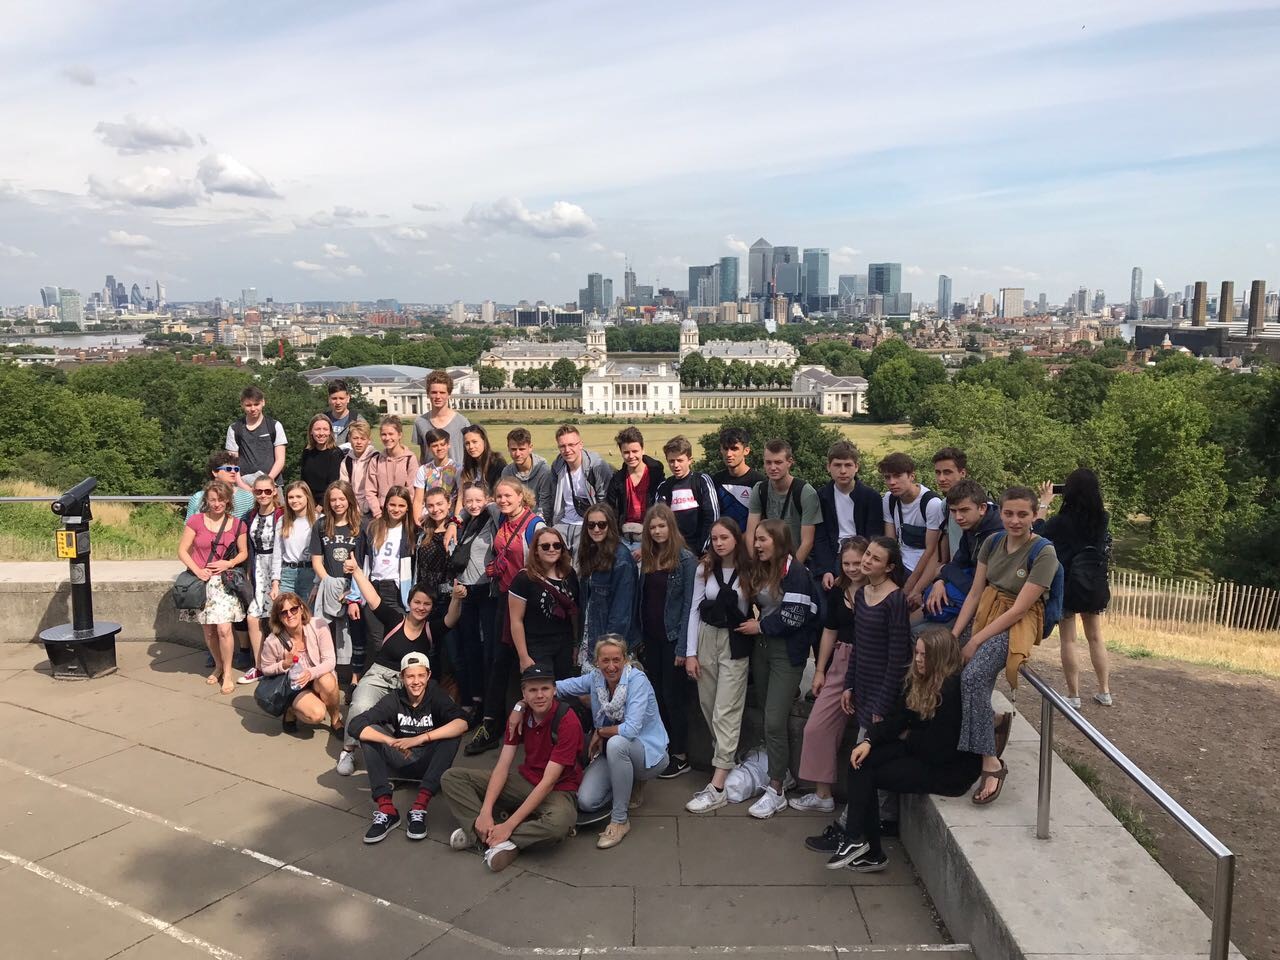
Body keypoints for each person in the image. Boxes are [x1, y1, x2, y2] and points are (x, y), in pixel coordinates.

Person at [823, 626, 982, 873]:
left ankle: (865, 846)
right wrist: (869, 741)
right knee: (860, 760)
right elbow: (898, 718)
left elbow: (938, 748)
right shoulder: (919, 679)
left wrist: (905, 737)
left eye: (925, 655)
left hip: (949, 771)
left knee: (870, 774)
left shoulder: (951, 690)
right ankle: (858, 841)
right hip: (920, 750)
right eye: (917, 653)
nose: (918, 659)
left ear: (939, 658)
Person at [951, 487, 1059, 805]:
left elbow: (1019, 610)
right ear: (1000, 513)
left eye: (1022, 514)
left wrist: (974, 640)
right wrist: (954, 636)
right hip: (988, 607)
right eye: (1009, 513)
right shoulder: (992, 542)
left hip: (1017, 620)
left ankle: (991, 763)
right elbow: (975, 593)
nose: (1014, 520)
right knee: (951, 667)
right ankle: (989, 724)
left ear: (1034, 515)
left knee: (973, 677)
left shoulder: (1043, 552)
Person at [442, 662, 584, 873]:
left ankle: (496, 837)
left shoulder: (567, 721)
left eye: (545, 688)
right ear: (523, 694)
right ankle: (485, 830)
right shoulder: (520, 714)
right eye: (532, 690)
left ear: (554, 690)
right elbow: (502, 765)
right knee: (452, 778)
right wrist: (485, 811)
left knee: (560, 822)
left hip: (557, 790)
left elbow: (548, 782)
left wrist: (508, 827)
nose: (539, 695)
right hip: (525, 780)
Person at [336, 561, 461, 775]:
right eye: (417, 602)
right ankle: (348, 750)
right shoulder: (394, 619)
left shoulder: (431, 630)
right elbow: (373, 598)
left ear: (432, 607)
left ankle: (400, 754)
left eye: (427, 604)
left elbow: (451, 618)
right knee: (360, 705)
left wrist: (457, 598)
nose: (421, 607)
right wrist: (356, 571)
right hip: (379, 676)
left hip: (410, 684)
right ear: (409, 602)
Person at [738, 519, 823, 819]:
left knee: (774, 721)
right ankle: (781, 772)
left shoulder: (796, 572)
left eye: (763, 539)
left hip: (787, 652)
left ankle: (776, 790)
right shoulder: (761, 568)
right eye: (756, 539)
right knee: (766, 711)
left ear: (779, 541)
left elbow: (795, 616)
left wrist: (760, 626)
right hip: (763, 648)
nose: (757, 544)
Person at [554, 636, 668, 848]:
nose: (611, 666)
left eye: (616, 659)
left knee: (617, 743)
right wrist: (523, 702)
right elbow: (559, 687)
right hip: (612, 750)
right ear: (597, 662)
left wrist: (601, 731)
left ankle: (619, 820)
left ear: (625, 659)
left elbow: (631, 729)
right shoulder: (595, 678)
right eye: (605, 660)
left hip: (647, 753)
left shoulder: (637, 681)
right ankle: (626, 782)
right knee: (586, 801)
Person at [349, 651, 469, 843]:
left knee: (451, 735)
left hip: (430, 763)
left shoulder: (436, 695)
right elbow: (355, 725)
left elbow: (463, 722)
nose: (416, 682)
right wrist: (389, 741)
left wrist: (420, 738)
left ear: (428, 676)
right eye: (410, 676)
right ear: (402, 677)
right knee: (369, 734)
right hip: (401, 757)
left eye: (421, 675)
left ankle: (419, 808)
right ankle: (387, 810)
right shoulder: (394, 699)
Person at [790, 536, 869, 813]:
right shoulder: (837, 590)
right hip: (842, 660)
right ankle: (823, 795)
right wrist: (820, 670)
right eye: (846, 563)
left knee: (868, 734)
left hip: (870, 662)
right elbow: (829, 631)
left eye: (857, 563)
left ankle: (864, 806)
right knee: (816, 728)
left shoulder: (879, 590)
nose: (852, 568)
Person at [467, 478, 545, 756]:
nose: (502, 500)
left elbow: (546, 560)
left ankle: (535, 727)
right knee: (498, 661)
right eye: (499, 496)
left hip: (528, 602)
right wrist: (454, 521)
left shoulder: (535, 526)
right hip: (503, 599)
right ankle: (492, 724)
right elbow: (474, 505)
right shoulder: (499, 516)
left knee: (528, 663)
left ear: (521, 496)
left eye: (508, 495)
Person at [684, 517, 753, 814]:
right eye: (714, 538)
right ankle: (727, 761)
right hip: (707, 637)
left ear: (736, 538)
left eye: (724, 537)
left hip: (734, 641)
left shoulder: (749, 569)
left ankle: (718, 785)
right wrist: (691, 653)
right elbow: (694, 611)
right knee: (709, 706)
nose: (719, 543)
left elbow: (765, 600)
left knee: (727, 710)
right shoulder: (705, 568)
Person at [1036, 469, 1112, 708]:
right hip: (1092, 582)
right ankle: (1104, 690)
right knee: (1095, 637)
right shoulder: (1102, 519)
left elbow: (1037, 532)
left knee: (1068, 640)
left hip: (1068, 583)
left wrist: (1044, 503)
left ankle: (1074, 694)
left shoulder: (1061, 522)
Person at [634, 503, 697, 779]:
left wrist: (684, 647)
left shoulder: (685, 560)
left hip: (673, 639)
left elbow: (689, 606)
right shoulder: (648, 558)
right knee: (656, 695)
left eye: (662, 526)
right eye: (653, 527)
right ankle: (664, 747)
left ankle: (681, 755)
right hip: (651, 638)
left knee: (674, 697)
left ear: (671, 527)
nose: (657, 531)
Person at [177, 479, 250, 694]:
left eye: (221, 499)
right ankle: (218, 665)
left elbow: (243, 553)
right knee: (209, 632)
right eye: (213, 500)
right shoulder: (196, 521)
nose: (217, 504)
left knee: (224, 629)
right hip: (201, 582)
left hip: (224, 582)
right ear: (206, 501)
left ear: (228, 500)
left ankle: (227, 673)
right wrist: (198, 570)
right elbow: (182, 550)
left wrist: (229, 563)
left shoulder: (237, 524)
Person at [916, 479, 1001, 637]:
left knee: (923, 631)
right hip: (968, 588)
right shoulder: (971, 527)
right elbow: (958, 562)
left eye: (964, 510)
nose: (958, 517)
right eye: (953, 511)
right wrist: (940, 581)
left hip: (990, 600)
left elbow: (982, 587)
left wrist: (945, 570)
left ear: (982, 508)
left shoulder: (998, 535)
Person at [450, 481, 500, 718]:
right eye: (468, 501)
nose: (473, 505)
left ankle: (489, 704)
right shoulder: (465, 521)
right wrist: (456, 520)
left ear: (487, 499)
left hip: (487, 590)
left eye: (478, 500)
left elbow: (497, 506)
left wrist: (487, 504)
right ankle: (473, 699)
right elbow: (463, 511)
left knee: (488, 648)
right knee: (468, 646)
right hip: (465, 589)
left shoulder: (492, 517)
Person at [259, 592, 341, 734]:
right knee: (317, 714)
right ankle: (291, 710)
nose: (289, 615)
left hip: (316, 677)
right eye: (283, 612)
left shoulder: (318, 625)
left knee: (328, 681)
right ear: (278, 617)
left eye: (293, 609)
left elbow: (330, 661)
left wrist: (310, 673)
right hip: (294, 686)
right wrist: (284, 664)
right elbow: (265, 669)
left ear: (301, 608)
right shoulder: (272, 641)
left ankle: (335, 720)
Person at [509, 526, 580, 679]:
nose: (552, 549)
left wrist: (575, 644)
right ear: (536, 550)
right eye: (545, 546)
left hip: (565, 644)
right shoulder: (524, 579)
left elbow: (574, 612)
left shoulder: (570, 574)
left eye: (557, 545)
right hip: (537, 646)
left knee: (564, 689)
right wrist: (523, 656)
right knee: (542, 688)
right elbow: (516, 621)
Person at [309, 481, 365, 672]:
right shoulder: (321, 525)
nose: (337, 503)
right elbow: (317, 561)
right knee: (325, 632)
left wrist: (352, 591)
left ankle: (353, 676)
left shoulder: (361, 525)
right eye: (333, 500)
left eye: (342, 498)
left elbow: (365, 561)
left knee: (354, 633)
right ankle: (328, 672)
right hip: (329, 584)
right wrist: (329, 583)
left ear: (349, 499)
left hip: (355, 588)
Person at [879, 452, 946, 606]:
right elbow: (890, 543)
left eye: (897, 476)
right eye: (887, 477)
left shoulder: (931, 503)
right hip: (899, 563)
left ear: (911, 476)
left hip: (920, 567)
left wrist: (912, 587)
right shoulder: (889, 499)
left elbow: (931, 551)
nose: (892, 482)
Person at [811, 442, 882, 589]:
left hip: (862, 556)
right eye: (837, 465)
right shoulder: (821, 496)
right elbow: (820, 536)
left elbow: (874, 535)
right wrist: (826, 570)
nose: (843, 471)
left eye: (848, 465)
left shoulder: (871, 497)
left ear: (856, 467)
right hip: (832, 555)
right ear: (828, 467)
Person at [360, 486, 417, 664]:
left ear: (407, 508)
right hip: (374, 589)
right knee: (377, 642)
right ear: (385, 505)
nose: (396, 509)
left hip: (397, 592)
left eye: (401, 505)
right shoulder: (372, 528)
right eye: (392, 504)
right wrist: (355, 596)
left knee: (398, 641)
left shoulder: (412, 531)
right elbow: (362, 562)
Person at [577, 503, 637, 664]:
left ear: (610, 526)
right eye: (591, 525)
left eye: (602, 524)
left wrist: (609, 648)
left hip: (608, 642)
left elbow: (621, 611)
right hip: (589, 636)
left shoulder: (621, 558)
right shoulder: (589, 552)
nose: (596, 529)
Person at [237, 475, 283, 684]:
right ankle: (258, 666)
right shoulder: (250, 516)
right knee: (253, 616)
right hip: (258, 568)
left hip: (278, 566)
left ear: (274, 491)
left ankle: (279, 665)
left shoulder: (282, 514)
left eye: (267, 491)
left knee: (277, 616)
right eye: (258, 491)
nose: (263, 495)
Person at [746, 440, 821, 565]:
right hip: (767, 562)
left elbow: (807, 542)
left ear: (789, 462)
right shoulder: (760, 490)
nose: (773, 468)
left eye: (778, 462)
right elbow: (750, 534)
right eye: (768, 462)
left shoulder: (805, 492)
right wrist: (755, 564)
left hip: (798, 562)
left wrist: (791, 570)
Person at [549, 424, 614, 554]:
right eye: (562, 446)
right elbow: (553, 498)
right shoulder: (557, 466)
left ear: (580, 444)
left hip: (588, 525)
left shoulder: (596, 466)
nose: (567, 450)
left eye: (571, 445)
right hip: (562, 523)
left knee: (580, 557)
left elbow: (604, 503)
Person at [654, 435, 719, 553]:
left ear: (690, 460)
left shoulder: (702, 481)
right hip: (672, 550)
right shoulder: (664, 487)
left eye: (680, 460)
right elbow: (658, 520)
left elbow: (712, 516)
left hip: (700, 550)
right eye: (671, 461)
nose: (676, 465)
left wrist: (704, 549)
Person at [604, 427, 664, 545]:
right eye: (626, 452)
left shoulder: (656, 474)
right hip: (624, 537)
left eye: (635, 451)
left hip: (651, 536)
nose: (631, 456)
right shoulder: (617, 480)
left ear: (643, 450)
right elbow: (611, 510)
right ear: (621, 452)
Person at [225, 385, 286, 491]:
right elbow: (233, 462)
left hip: (272, 484)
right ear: (242, 405)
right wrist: (241, 485)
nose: (253, 409)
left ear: (263, 402)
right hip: (244, 486)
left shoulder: (275, 426)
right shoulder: (234, 428)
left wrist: (268, 481)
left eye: (256, 404)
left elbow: (280, 459)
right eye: (248, 405)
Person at [271, 482, 318, 606]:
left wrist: (318, 583)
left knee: (308, 613)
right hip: (287, 573)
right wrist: (275, 581)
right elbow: (277, 553)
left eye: (299, 496)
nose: (294, 500)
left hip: (310, 573)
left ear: (307, 497)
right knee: (286, 611)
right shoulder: (283, 520)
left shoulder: (318, 520)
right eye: (290, 497)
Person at [412, 369, 471, 467]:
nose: (438, 396)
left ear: (449, 395)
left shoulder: (462, 423)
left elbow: (469, 455)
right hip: (430, 475)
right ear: (428, 394)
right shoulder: (420, 422)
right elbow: (423, 455)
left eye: (442, 392)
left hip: (456, 475)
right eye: (434, 392)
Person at [413, 486, 455, 622]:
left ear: (449, 503)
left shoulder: (457, 529)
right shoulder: (423, 531)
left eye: (439, 504)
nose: (435, 509)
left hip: (448, 596)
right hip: (425, 596)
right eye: (430, 506)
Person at [366, 415, 419, 521]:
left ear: (399, 435)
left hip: (403, 515)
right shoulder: (376, 460)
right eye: (384, 434)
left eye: (391, 434)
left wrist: (402, 511)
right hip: (381, 514)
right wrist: (377, 513)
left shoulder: (410, 459)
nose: (387, 438)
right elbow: (370, 490)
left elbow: (412, 491)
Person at [711, 426, 763, 531]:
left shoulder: (759, 482)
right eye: (725, 448)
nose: (729, 454)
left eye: (734, 449)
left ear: (746, 450)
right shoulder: (715, 480)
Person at [502, 428, 554, 521]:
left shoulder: (544, 471)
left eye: (522, 449)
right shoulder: (507, 472)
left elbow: (544, 506)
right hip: (514, 518)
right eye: (513, 449)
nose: (517, 454)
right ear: (508, 448)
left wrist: (532, 524)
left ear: (530, 448)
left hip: (537, 520)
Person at [185, 450, 254, 520]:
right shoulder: (198, 498)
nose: (233, 472)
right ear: (215, 472)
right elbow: (189, 524)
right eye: (228, 469)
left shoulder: (248, 497)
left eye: (236, 469)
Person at [456, 425, 506, 511]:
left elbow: (499, 496)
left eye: (474, 442)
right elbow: (460, 499)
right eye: (467, 443)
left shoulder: (497, 464)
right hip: (471, 511)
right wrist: (456, 518)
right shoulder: (468, 468)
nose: (471, 447)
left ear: (484, 441)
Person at [300, 414, 346, 505]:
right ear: (311, 432)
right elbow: (303, 481)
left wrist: (320, 507)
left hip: (328, 502)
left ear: (330, 432)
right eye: (317, 429)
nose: (321, 433)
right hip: (309, 501)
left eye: (325, 429)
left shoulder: (336, 453)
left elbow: (333, 484)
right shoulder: (307, 451)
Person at [413, 428, 458, 518]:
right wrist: (418, 520)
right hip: (429, 516)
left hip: (450, 517)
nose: (439, 448)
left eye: (442, 444)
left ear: (448, 444)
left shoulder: (458, 469)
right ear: (429, 447)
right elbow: (418, 500)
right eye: (435, 446)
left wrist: (456, 521)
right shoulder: (423, 470)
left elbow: (461, 498)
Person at [340, 421, 377, 517]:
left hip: (373, 509)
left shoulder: (376, 459)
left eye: (363, 439)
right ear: (349, 439)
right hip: (352, 508)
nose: (359, 442)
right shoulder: (346, 461)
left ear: (369, 440)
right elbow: (344, 488)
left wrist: (369, 507)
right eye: (355, 438)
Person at [323, 378, 367, 450]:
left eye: (341, 398)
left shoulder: (358, 420)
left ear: (348, 398)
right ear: (329, 399)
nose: (338, 402)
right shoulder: (322, 420)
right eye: (334, 398)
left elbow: (367, 447)